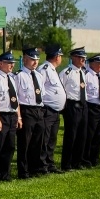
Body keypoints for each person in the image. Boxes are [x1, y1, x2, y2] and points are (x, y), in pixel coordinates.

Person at [0, 51, 22, 183]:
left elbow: (16, 99)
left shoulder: (12, 78)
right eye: (9, 63)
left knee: (9, 146)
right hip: (1, 115)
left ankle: (5, 173)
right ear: (1, 63)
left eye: (12, 63)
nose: (12, 65)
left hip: (12, 114)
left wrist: (19, 117)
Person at [15, 47, 47, 179]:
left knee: (38, 141)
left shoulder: (39, 75)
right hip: (26, 109)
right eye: (32, 59)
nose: (35, 62)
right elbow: (15, 97)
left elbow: (42, 94)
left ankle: (34, 167)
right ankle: (23, 171)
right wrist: (19, 116)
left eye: (37, 60)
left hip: (38, 110)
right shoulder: (19, 75)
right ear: (25, 59)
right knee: (25, 142)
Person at [36, 45, 66, 174]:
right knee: (45, 139)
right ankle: (42, 165)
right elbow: (39, 89)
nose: (61, 59)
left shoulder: (53, 70)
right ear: (56, 57)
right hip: (47, 110)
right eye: (60, 56)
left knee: (52, 139)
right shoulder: (44, 69)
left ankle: (50, 163)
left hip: (55, 111)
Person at [59, 47, 90, 171]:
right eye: (80, 57)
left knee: (82, 135)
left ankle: (77, 161)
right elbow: (61, 90)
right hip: (72, 105)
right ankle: (66, 164)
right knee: (71, 135)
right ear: (73, 58)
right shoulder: (66, 72)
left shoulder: (83, 72)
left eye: (84, 58)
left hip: (83, 105)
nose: (83, 60)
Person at [83, 54, 100, 167]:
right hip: (91, 107)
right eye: (99, 63)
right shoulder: (86, 74)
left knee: (98, 134)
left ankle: (95, 158)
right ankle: (86, 158)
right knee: (90, 134)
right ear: (92, 63)